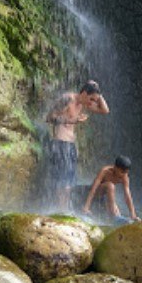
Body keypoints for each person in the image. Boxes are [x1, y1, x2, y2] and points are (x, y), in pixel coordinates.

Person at [46, 80, 110, 209]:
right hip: (60, 143)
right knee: (62, 181)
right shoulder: (67, 98)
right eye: (91, 99)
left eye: (94, 101)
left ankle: (64, 209)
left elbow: (105, 110)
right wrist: (73, 120)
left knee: (69, 181)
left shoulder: (82, 104)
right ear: (84, 93)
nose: (92, 103)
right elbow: (49, 117)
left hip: (70, 146)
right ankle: (61, 210)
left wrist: (99, 92)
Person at [81, 155, 139, 221]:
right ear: (115, 167)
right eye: (122, 172)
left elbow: (127, 195)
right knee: (110, 186)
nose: (123, 174)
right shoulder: (105, 171)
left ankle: (116, 216)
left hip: (105, 197)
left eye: (126, 172)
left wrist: (133, 215)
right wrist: (86, 207)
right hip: (96, 193)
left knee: (117, 210)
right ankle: (113, 215)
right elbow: (93, 188)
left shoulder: (125, 177)